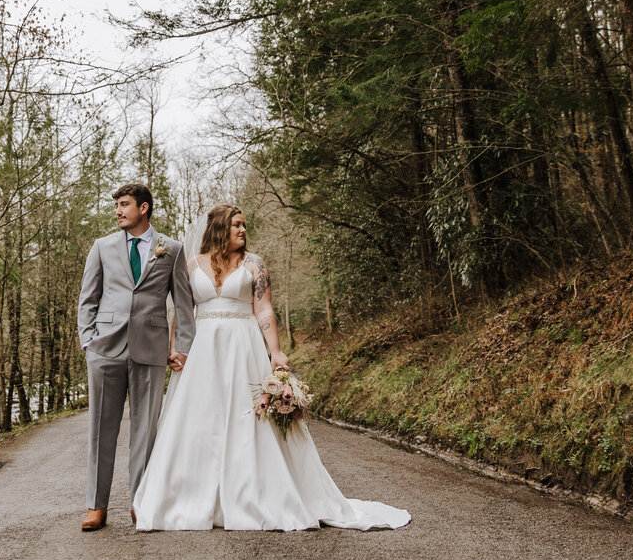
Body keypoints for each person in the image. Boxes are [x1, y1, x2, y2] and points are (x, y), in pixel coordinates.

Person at [131, 204, 412, 531]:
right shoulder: (192, 264)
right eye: (236, 225)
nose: (242, 230)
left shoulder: (254, 264)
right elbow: (182, 310)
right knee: (199, 419)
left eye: (244, 225)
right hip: (203, 348)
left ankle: (254, 492)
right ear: (220, 228)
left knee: (246, 419)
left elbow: (263, 309)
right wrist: (176, 349)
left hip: (244, 345)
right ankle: (191, 496)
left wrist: (275, 352)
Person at [77, 183, 195, 531]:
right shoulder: (102, 247)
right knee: (102, 429)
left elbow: (184, 305)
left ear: (144, 208)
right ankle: (96, 506)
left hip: (152, 349)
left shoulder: (170, 249)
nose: (118, 211)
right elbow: (88, 298)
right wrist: (88, 341)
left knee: (146, 431)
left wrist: (183, 348)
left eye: (124, 205)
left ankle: (140, 502)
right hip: (105, 349)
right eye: (116, 205)